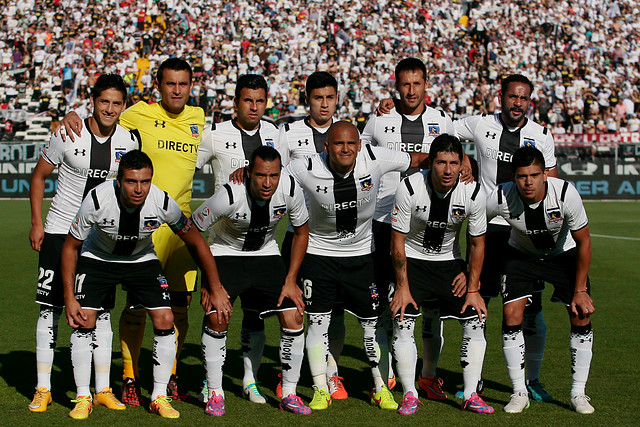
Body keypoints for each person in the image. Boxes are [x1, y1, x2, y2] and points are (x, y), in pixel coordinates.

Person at [59, 58, 205, 404]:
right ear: (159, 85)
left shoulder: (199, 119)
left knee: (180, 307)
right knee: (140, 305)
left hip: (179, 225)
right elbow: (103, 115)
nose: (177, 90)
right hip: (144, 221)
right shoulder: (137, 113)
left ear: (191, 86)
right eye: (170, 83)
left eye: (183, 84)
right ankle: (129, 375)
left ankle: (169, 377)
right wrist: (71, 114)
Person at [61, 150, 227, 420]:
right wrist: (70, 297)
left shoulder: (161, 201)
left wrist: (215, 284)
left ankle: (158, 396)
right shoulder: (96, 199)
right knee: (84, 319)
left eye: (145, 181)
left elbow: (195, 240)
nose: (139, 189)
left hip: (141, 259)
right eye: (131, 182)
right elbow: (71, 247)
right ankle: (83, 396)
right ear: (119, 181)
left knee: (165, 317)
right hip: (99, 259)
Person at [285, 121, 428, 411]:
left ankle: (380, 388)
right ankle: (320, 387)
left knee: (372, 326)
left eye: (351, 143)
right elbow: (272, 177)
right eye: (339, 143)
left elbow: (418, 159)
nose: (346, 149)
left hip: (363, 256)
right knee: (318, 322)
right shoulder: (306, 166)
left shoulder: (375, 157)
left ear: (360, 145)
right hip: (319, 256)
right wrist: (244, 172)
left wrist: (463, 161)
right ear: (326, 147)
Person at [28, 73, 139, 413]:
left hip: (98, 241)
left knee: (101, 314)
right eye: (103, 101)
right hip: (60, 232)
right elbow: (38, 176)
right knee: (52, 310)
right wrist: (36, 223)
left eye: (116, 103)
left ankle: (102, 387)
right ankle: (43, 387)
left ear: (124, 106)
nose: (109, 108)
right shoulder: (67, 132)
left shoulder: (130, 141)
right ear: (92, 101)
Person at [362, 57, 466, 400]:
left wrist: (470, 167)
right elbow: (362, 158)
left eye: (416, 83)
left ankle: (427, 374)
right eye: (405, 84)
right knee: (384, 302)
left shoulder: (442, 120)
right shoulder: (380, 119)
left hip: (426, 227)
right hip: (382, 221)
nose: (410, 90)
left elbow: (465, 154)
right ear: (396, 85)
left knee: (429, 306)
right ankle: (387, 374)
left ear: (425, 85)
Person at [454, 74, 558, 402]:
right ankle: (476, 381)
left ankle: (534, 379)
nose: (517, 103)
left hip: (525, 234)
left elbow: (551, 185)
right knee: (477, 305)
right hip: (487, 230)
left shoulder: (541, 135)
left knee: (531, 310)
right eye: (512, 97)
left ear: (530, 101)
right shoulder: (481, 124)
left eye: (523, 98)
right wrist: (465, 158)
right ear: (501, 97)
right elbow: (441, 128)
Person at [191, 146, 311, 416]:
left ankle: (287, 393)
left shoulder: (290, 189)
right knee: (218, 316)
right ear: (247, 173)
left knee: (294, 314)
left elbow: (302, 232)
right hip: (224, 254)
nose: (267, 183)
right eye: (260, 176)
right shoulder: (229, 195)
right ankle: (214, 391)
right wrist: (209, 282)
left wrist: (291, 280)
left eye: (273, 175)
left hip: (265, 254)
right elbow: (193, 231)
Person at [486, 146, 595, 414]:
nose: (528, 182)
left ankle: (578, 393)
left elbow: (584, 242)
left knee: (580, 314)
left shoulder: (566, 193)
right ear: (513, 176)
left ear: (545, 174)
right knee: (511, 312)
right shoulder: (500, 196)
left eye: (534, 175)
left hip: (562, 254)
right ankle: (518, 392)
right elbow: (475, 226)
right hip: (521, 255)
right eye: (522, 176)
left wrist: (580, 290)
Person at [389, 134, 492, 415]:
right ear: (430, 164)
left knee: (475, 319)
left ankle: (471, 395)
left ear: (462, 164)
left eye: (454, 163)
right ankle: (410, 392)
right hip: (412, 262)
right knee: (403, 320)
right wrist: (402, 287)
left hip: (449, 263)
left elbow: (477, 242)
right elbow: (397, 241)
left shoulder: (473, 193)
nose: (448, 170)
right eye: (441, 162)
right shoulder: (409, 187)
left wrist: (472, 284)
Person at [195, 73, 283, 404]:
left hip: (263, 247)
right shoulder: (215, 135)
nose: (254, 107)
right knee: (217, 315)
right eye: (248, 100)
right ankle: (210, 383)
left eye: (260, 101)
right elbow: (187, 166)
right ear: (235, 102)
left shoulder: (276, 134)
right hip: (222, 246)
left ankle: (250, 381)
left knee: (256, 316)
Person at [277, 71, 348, 399]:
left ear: (337, 99)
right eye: (317, 97)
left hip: (336, 239)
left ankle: (332, 373)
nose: (324, 103)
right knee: (291, 306)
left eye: (329, 97)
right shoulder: (289, 132)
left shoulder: (346, 133)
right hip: (299, 235)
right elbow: (274, 172)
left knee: (333, 310)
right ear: (308, 99)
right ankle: (287, 371)